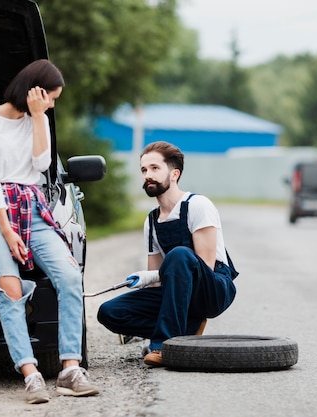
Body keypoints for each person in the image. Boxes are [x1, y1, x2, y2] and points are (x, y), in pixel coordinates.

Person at [0, 59, 99, 404]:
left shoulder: (40, 121)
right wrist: (7, 230)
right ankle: (31, 374)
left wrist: (38, 118)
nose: (51, 105)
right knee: (10, 290)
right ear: (33, 89)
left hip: (33, 208)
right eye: (50, 98)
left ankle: (69, 369)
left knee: (68, 276)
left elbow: (40, 164)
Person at [97, 141, 239, 367]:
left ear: (174, 174)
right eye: (144, 170)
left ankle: (164, 345)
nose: (147, 175)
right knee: (109, 312)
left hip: (212, 288)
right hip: (176, 291)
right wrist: (145, 283)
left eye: (154, 168)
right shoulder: (151, 221)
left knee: (179, 254)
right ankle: (189, 326)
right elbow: (155, 279)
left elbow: (205, 263)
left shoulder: (198, 205)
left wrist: (165, 278)